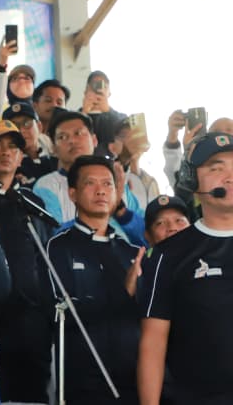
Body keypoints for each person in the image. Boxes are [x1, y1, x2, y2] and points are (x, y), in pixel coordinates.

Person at [138, 133, 233, 404]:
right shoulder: (168, 254)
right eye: (216, 168)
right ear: (191, 181)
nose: (230, 177)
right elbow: (153, 343)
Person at [46, 155, 144, 403]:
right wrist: (123, 294)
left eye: (108, 184)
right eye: (90, 183)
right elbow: (62, 311)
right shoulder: (58, 246)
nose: (101, 191)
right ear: (72, 194)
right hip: (81, 383)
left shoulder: (131, 251)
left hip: (133, 380)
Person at [0, 120, 56, 404]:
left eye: (13, 147)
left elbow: (45, 260)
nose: (5, 152)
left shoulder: (31, 201)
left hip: (32, 326)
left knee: (34, 396)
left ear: (21, 156)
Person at [33, 110, 146, 246]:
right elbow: (54, 237)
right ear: (54, 149)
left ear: (94, 140)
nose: (72, 141)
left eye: (78, 133)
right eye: (62, 137)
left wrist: (120, 210)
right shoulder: (47, 185)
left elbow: (147, 236)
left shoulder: (115, 180)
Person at [1, 100, 56, 183]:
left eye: (27, 124)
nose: (21, 130)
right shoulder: (6, 164)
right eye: (14, 126)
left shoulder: (56, 153)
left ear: (39, 127)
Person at [79, 70, 127, 156]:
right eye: (93, 86)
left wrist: (108, 111)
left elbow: (125, 141)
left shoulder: (121, 118)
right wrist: (83, 114)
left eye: (104, 86)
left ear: (109, 93)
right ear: (86, 91)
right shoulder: (73, 118)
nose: (98, 90)